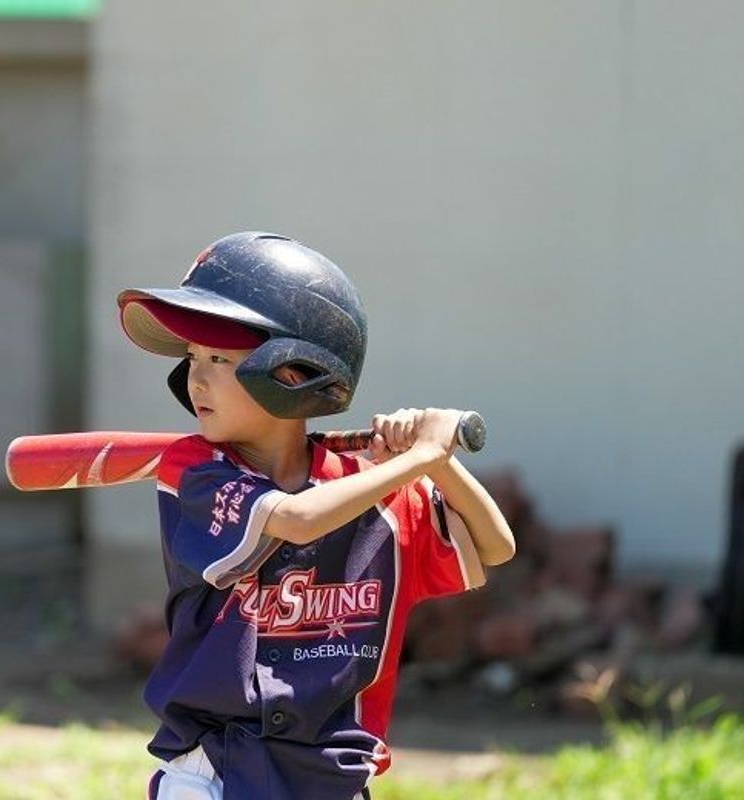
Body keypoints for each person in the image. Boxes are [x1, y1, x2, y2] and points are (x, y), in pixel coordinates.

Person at [116, 232, 516, 800]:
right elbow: (299, 519)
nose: (196, 379)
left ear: (293, 371)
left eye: (220, 359)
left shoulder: (373, 494)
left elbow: (496, 546)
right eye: (193, 359)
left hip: (334, 777)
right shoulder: (196, 472)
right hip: (214, 771)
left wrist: (436, 463)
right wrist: (421, 458)